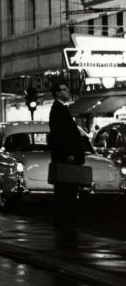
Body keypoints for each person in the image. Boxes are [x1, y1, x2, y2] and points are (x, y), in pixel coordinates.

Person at [48, 81, 85, 227]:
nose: (68, 91)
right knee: (66, 190)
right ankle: (65, 219)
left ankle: (64, 218)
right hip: (66, 158)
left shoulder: (61, 109)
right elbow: (60, 135)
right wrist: (69, 153)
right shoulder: (57, 110)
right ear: (57, 93)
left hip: (66, 157)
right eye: (64, 89)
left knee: (66, 190)